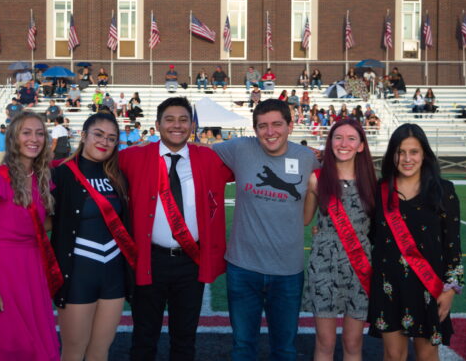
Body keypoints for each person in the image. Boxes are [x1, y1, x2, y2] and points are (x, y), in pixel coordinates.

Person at [118, 96, 234, 360]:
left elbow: (252, 163)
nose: (177, 126)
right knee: (144, 338)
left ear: (192, 125)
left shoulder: (209, 157)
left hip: (191, 263)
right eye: (169, 119)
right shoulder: (133, 157)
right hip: (150, 261)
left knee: (184, 340)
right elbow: (90, 163)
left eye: (183, 120)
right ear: (158, 124)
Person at [212, 99, 319, 360]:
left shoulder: (307, 158)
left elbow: (308, 216)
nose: (270, 132)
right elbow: (196, 153)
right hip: (243, 268)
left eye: (276, 124)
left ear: (290, 126)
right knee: (243, 347)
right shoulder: (239, 148)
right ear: (255, 128)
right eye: (262, 126)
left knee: (285, 349)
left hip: (287, 272)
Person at [368, 123, 463, 361]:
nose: (407, 158)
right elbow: (369, 236)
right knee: (393, 355)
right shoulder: (379, 190)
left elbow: (453, 246)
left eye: (414, 152)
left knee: (428, 355)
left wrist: (451, 289)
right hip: (388, 285)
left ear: (424, 155)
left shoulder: (444, 190)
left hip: (429, 287)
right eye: (401, 152)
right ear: (392, 155)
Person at [0, 111, 60, 360]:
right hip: (3, 273)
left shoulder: (43, 179)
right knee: (8, 346)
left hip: (34, 271)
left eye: (40, 133)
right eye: (27, 132)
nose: (34, 139)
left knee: (39, 345)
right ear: (14, 138)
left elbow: (38, 224)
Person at [51, 112, 134, 361]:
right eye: (98, 135)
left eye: (111, 138)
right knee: (74, 352)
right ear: (84, 135)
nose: (104, 142)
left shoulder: (117, 176)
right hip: (77, 275)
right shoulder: (61, 175)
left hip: (113, 276)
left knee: (100, 351)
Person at [303, 119, 377, 361]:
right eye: (338, 137)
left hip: (359, 268)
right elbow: (304, 220)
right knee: (325, 342)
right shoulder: (316, 178)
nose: (343, 143)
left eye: (351, 138)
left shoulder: (373, 183)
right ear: (330, 141)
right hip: (324, 266)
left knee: (353, 342)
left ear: (361, 146)